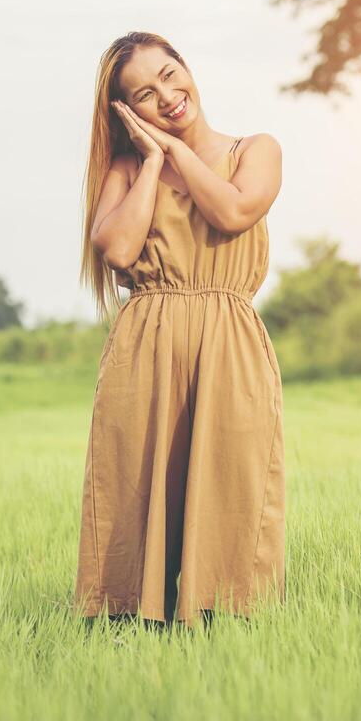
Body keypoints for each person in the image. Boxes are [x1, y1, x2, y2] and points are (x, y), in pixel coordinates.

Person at [74, 31, 285, 631]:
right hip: (147, 343)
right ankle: (128, 626)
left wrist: (175, 149)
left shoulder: (256, 149)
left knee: (235, 483)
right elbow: (116, 248)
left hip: (230, 342)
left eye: (170, 74)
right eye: (143, 94)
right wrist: (151, 161)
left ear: (188, 68)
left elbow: (233, 211)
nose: (166, 96)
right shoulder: (127, 168)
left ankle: (228, 621)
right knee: (134, 488)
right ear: (124, 113)